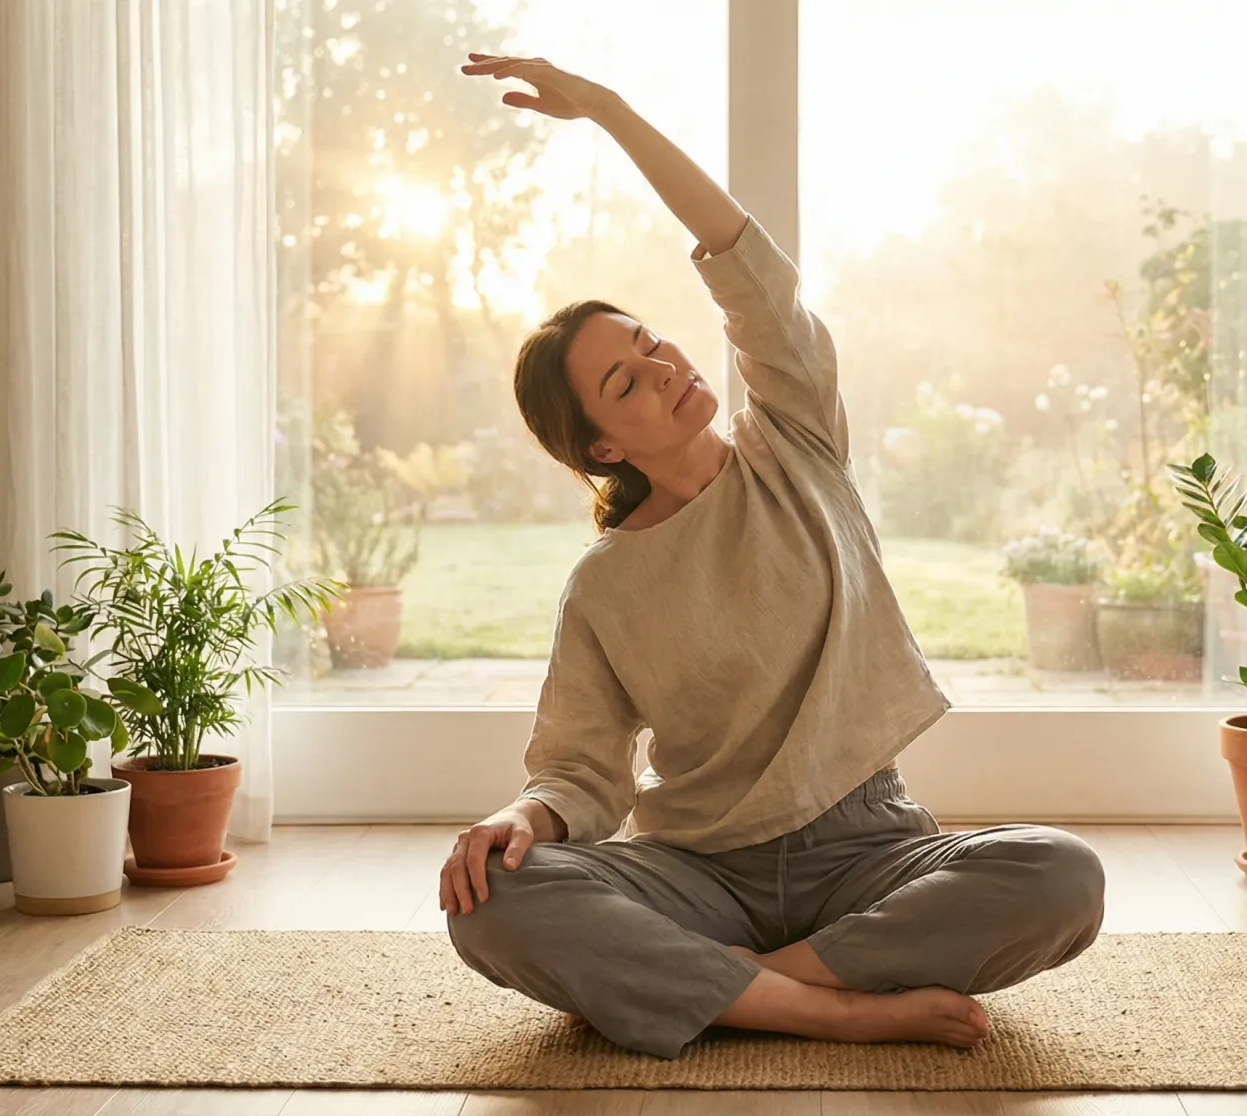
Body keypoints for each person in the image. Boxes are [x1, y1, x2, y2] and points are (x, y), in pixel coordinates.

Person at [441, 52, 1106, 1061]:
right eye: (625, 383)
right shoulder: (606, 584)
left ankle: (736, 989)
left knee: (1060, 875)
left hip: (868, 852)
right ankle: (828, 1006)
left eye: (648, 342)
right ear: (603, 449)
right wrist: (519, 816)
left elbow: (743, 263)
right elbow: (579, 767)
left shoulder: (795, 441)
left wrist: (610, 111)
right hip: (698, 872)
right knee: (489, 898)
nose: (662, 366)